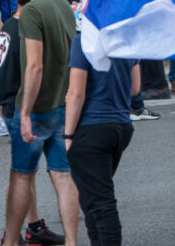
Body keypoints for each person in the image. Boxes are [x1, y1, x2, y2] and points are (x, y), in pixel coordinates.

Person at [1, 0, 80, 246]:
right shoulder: (62, 4)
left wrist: (24, 111)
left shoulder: (32, 11)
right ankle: (72, 241)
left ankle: (10, 241)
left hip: (37, 108)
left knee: (22, 175)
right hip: (63, 101)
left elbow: (34, 65)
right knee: (63, 176)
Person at [64, 31, 139, 246]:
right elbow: (135, 88)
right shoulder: (128, 38)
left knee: (100, 201)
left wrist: (68, 135)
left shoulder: (84, 40)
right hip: (120, 124)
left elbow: (76, 93)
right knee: (92, 197)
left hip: (92, 125)